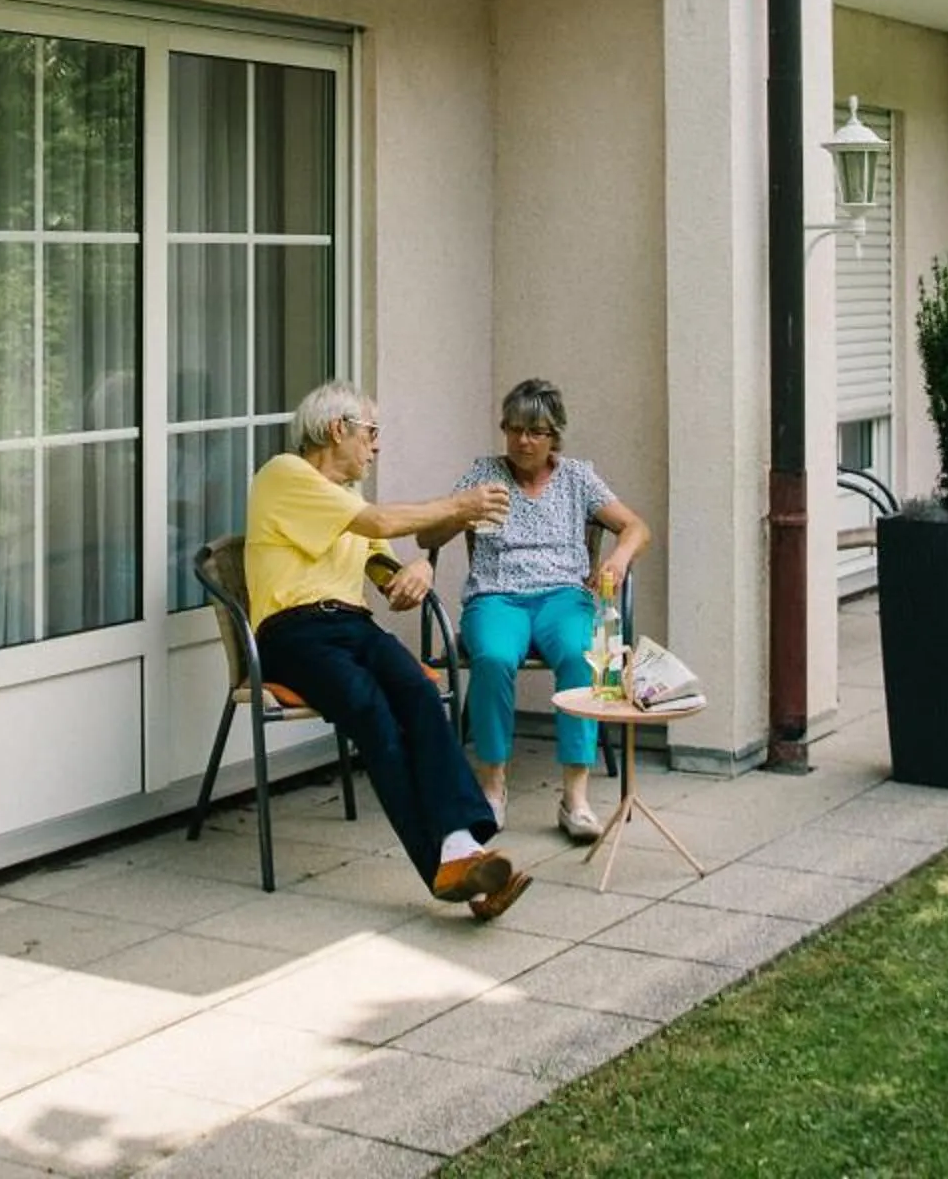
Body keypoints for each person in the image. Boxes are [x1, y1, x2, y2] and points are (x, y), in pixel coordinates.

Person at [244, 380, 534, 921]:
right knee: (374, 715)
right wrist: (458, 504)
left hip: (352, 627)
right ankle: (451, 871)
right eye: (371, 433)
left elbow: (382, 569)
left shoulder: (349, 501)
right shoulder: (284, 475)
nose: (376, 446)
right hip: (291, 633)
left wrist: (417, 572)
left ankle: (461, 850)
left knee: (421, 696)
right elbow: (379, 523)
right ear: (338, 429)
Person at [452, 377, 653, 842]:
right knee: (493, 658)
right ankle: (492, 786)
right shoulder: (483, 474)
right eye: (515, 428)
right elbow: (430, 536)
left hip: (564, 595)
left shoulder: (579, 476)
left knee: (584, 653)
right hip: (497, 595)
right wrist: (458, 511)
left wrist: (618, 558)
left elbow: (635, 527)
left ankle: (575, 798)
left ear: (554, 435)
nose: (523, 440)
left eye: (536, 431)